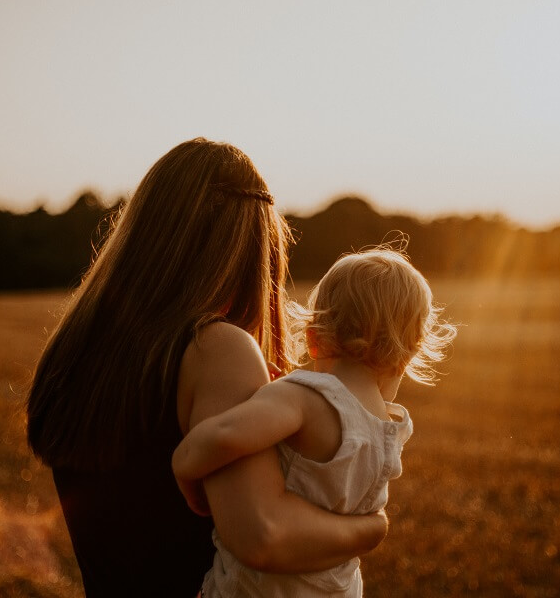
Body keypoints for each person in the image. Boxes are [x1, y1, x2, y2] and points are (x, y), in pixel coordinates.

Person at [26, 138, 388, 597]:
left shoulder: (77, 350)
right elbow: (264, 535)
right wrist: (370, 528)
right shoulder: (216, 349)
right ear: (253, 251)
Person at [173, 247, 457, 597]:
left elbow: (227, 434)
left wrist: (184, 465)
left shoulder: (304, 398)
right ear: (407, 356)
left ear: (313, 338)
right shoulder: (390, 430)